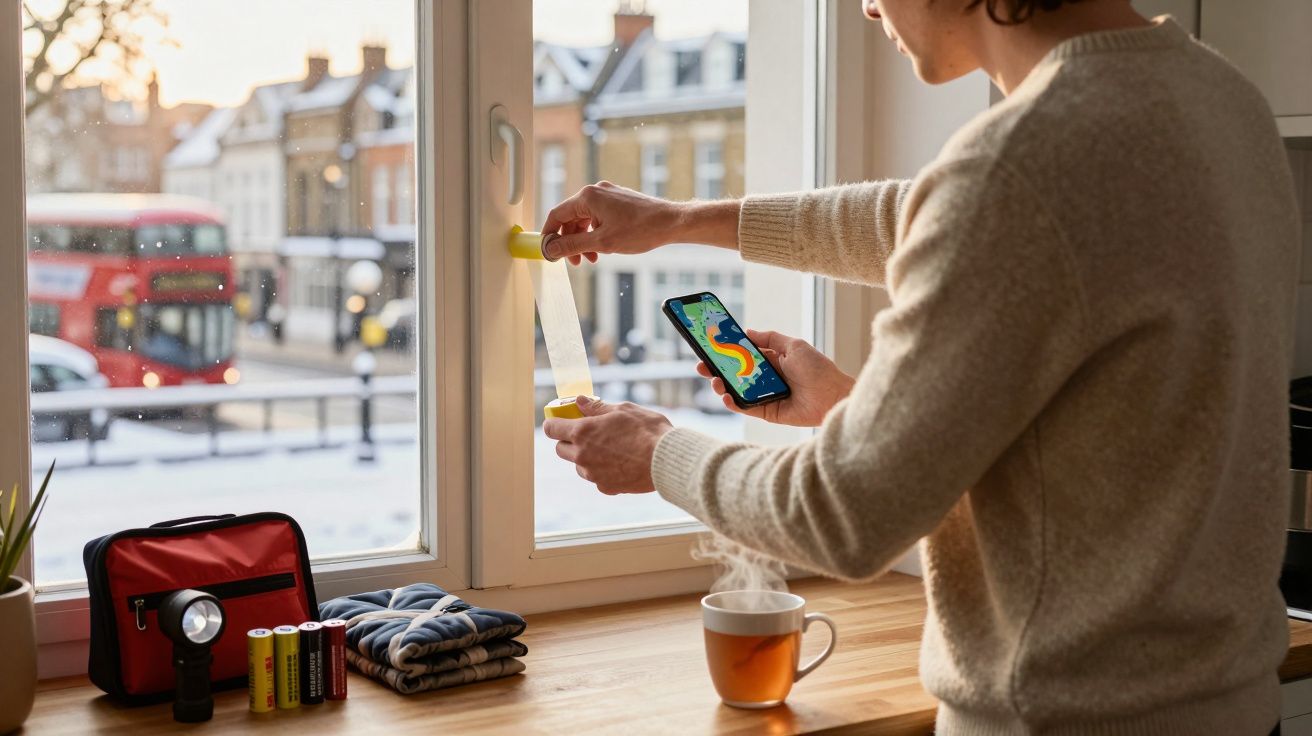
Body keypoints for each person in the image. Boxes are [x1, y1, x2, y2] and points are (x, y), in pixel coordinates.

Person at [542, 0, 1300, 733]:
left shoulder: (1020, 165)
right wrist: (681, 222)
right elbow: (934, 220)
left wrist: (656, 452)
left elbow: (840, 517)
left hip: (1065, 718)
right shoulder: (1220, 99)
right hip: (1229, 701)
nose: (868, 9)